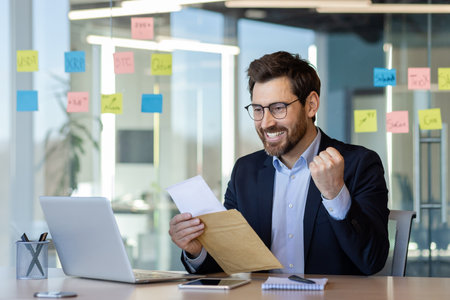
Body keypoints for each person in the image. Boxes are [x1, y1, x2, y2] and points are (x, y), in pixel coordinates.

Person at [169, 51, 389, 275]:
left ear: (311, 105)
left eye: (278, 108)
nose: (266, 123)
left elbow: (372, 260)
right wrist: (197, 251)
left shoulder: (359, 164)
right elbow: (227, 264)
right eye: (258, 110)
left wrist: (336, 195)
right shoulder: (245, 172)